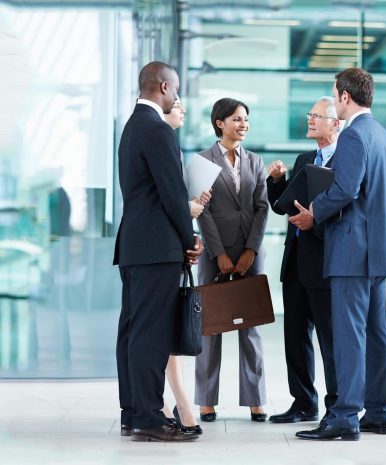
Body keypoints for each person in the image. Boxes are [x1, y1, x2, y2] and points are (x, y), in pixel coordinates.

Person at [290, 68, 386, 441]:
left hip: (352, 251)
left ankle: (344, 418)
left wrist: (312, 214)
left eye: (335, 95)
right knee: (377, 331)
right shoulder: (385, 137)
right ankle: (380, 412)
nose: (335, 101)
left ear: (344, 98)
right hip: (379, 250)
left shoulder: (354, 136)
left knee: (350, 335)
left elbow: (346, 189)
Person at [113, 61, 203, 442]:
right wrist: (190, 240)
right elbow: (171, 195)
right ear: (164, 87)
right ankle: (149, 418)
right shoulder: (158, 130)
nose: (177, 99)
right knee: (150, 334)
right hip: (157, 249)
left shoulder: (132, 128)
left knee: (133, 330)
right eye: (177, 92)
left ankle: (134, 411)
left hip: (135, 246)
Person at [194, 97, 270, 423]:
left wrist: (251, 250)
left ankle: (256, 399)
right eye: (236, 119)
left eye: (246, 120)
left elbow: (262, 207)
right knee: (210, 327)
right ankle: (206, 400)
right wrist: (219, 253)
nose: (243, 125)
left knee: (250, 327)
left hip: (250, 254)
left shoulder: (255, 161)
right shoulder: (201, 161)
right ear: (219, 123)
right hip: (215, 256)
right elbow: (202, 211)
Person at [266, 96, 340, 425]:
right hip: (295, 262)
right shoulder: (305, 158)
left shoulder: (346, 161)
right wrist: (278, 182)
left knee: (330, 339)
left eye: (317, 116)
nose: (310, 120)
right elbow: (283, 206)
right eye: (310, 115)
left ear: (335, 123)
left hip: (326, 263)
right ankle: (303, 402)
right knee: (295, 338)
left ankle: (337, 405)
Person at [161, 96, 209, 435]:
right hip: (161, 247)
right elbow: (166, 202)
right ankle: (179, 403)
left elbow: (173, 200)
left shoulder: (169, 144)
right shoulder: (160, 139)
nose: (183, 111)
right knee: (164, 333)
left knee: (169, 333)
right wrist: (188, 217)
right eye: (178, 104)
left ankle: (175, 402)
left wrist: (191, 206)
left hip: (169, 246)